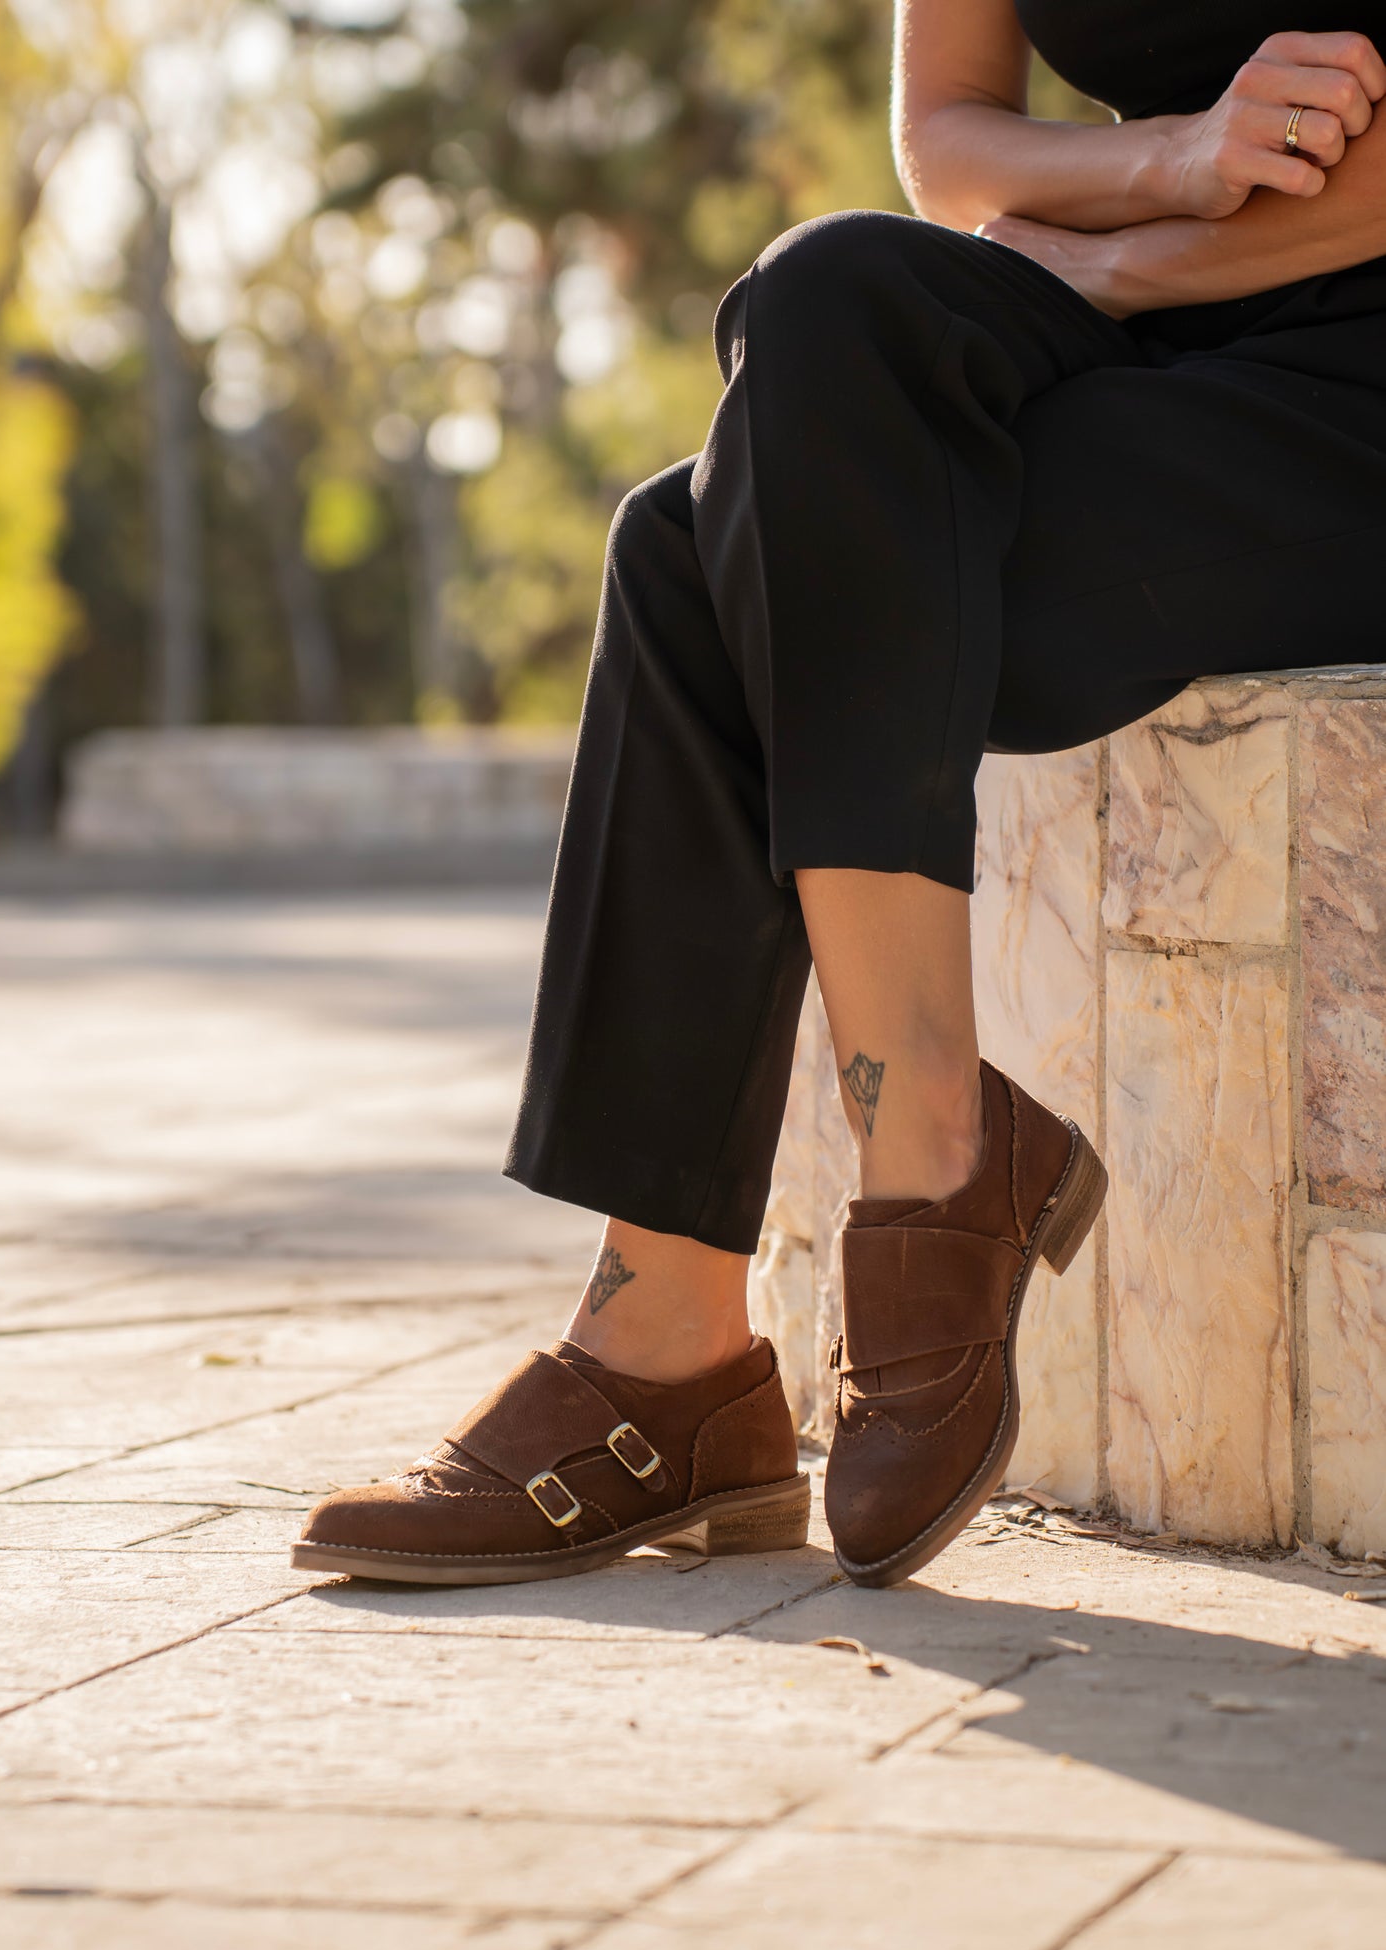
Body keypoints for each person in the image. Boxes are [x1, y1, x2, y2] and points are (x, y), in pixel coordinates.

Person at [294, 2, 1386, 1592]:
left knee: (707, 556)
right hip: (1143, 335)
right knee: (823, 298)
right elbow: (945, 143)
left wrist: (1115, 250)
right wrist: (1173, 164)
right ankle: (832, 1219)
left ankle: (693, 1351)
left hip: (1348, 396)